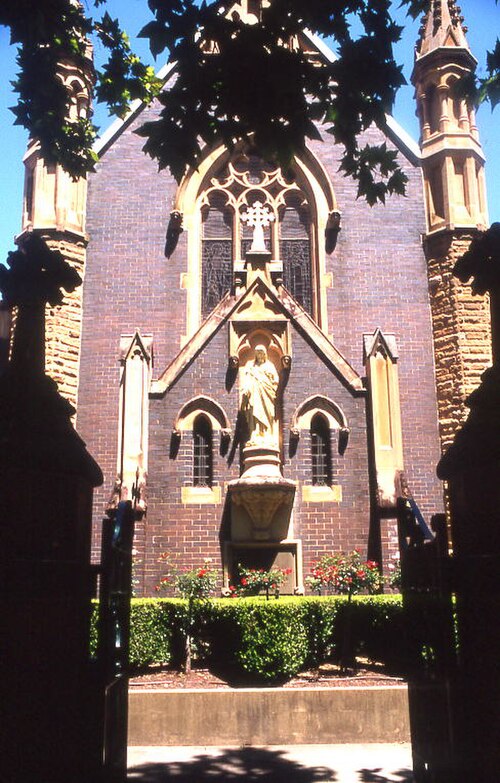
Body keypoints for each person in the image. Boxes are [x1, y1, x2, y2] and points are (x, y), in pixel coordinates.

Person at [241, 345, 279, 446]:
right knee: (254, 411)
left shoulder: (270, 365)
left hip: (267, 394)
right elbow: (246, 378)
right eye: (258, 354)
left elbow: (275, 380)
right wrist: (246, 388)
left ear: (265, 354)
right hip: (254, 394)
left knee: (268, 412)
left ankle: (267, 434)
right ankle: (255, 433)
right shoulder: (251, 365)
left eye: (261, 353)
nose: (260, 356)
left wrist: (271, 384)